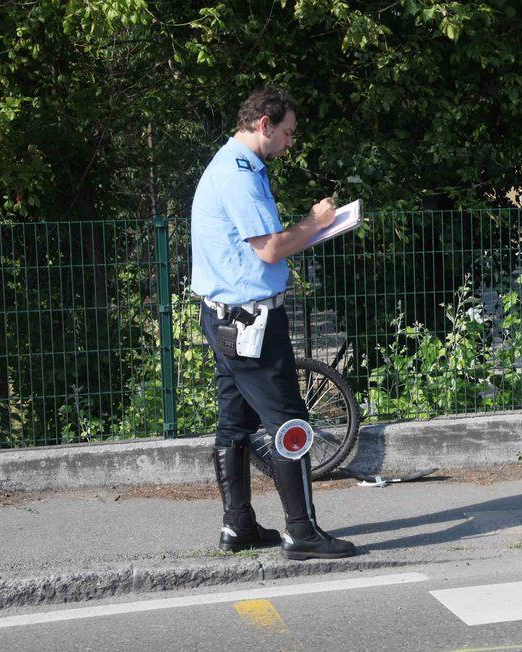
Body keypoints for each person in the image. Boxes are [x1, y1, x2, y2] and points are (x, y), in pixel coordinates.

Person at [190, 87, 355, 559]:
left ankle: (238, 525)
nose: (289, 143)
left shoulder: (229, 164)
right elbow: (270, 249)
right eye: (286, 133)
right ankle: (302, 533)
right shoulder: (240, 174)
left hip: (225, 317)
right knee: (289, 422)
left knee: (235, 423)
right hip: (251, 320)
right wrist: (316, 221)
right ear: (264, 123)